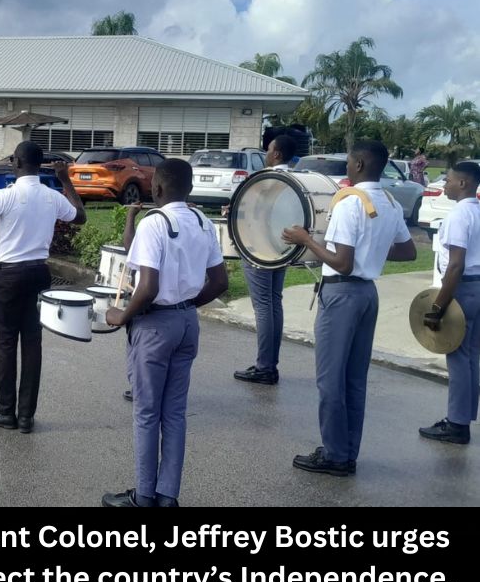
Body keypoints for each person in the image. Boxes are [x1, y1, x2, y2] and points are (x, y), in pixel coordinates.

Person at [283, 139, 416, 476]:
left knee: (330, 380)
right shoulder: (388, 201)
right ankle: (346, 451)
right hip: (367, 295)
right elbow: (408, 251)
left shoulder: (349, 202)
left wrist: (306, 240)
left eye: (349, 161)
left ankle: (334, 455)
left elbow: (342, 263)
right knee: (354, 380)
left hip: (342, 295)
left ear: (358, 164)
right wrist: (372, 249)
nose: (347, 166)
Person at [100, 159, 228, 506]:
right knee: (174, 413)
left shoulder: (155, 223)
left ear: (156, 188)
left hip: (155, 326)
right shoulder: (203, 222)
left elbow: (148, 287)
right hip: (187, 324)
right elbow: (219, 282)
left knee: (146, 413)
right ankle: (167, 495)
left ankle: (143, 496)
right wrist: (184, 305)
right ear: (188, 188)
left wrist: (121, 315)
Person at [0, 141, 86, 434]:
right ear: (39, 165)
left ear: (16, 162)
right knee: (32, 344)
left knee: (6, 343)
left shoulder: (6, 196)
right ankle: (26, 416)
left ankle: (6, 413)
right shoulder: (52, 197)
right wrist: (66, 181)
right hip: (39, 273)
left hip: (9, 275)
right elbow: (80, 216)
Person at [420, 161, 480, 445]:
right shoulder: (478, 212)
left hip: (463, 288)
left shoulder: (458, 216)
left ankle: (456, 425)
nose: (444, 185)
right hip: (477, 287)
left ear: (463, 184)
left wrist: (437, 307)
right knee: (470, 357)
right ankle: (463, 419)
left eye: (449, 180)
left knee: (456, 356)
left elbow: (455, 266)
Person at [233, 135, 298, 385]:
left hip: (258, 249)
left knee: (263, 306)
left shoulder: (265, 180)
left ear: (277, 154)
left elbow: (252, 212)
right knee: (273, 303)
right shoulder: (293, 179)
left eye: (269, 150)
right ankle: (270, 363)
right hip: (282, 248)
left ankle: (265, 366)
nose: (266, 153)